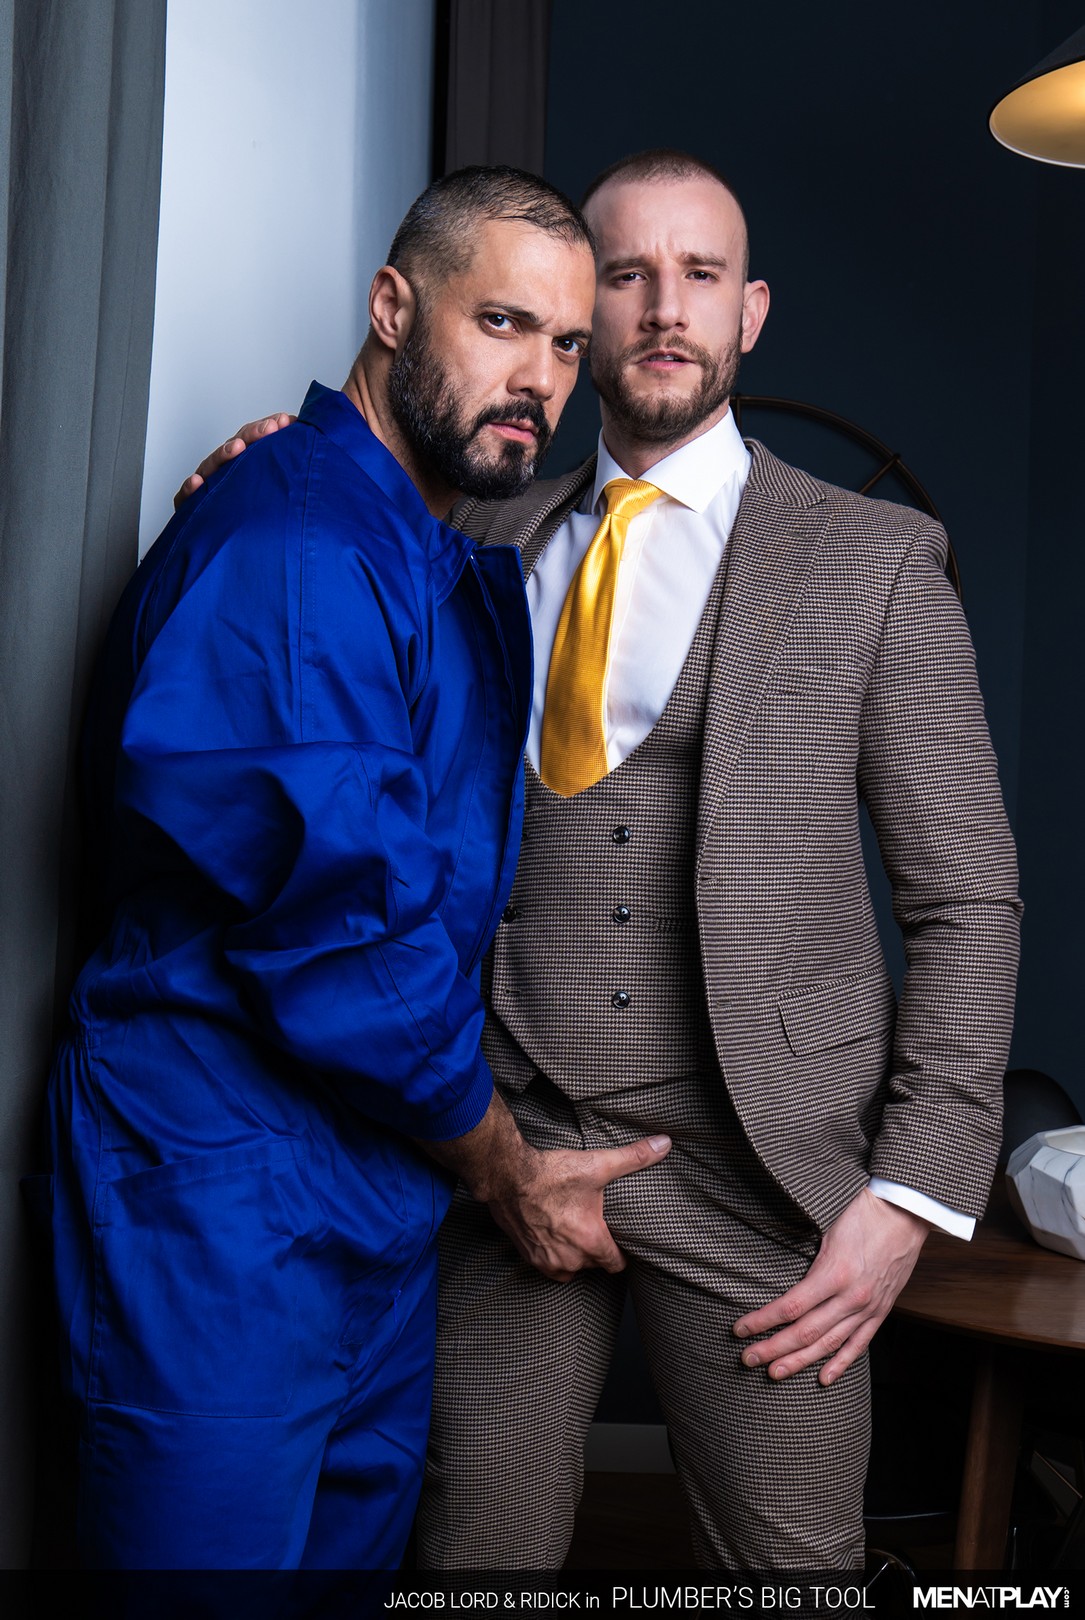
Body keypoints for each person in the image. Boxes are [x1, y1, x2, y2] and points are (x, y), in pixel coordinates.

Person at [186, 150, 1021, 1572]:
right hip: (510, 1150)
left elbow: (966, 904)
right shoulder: (473, 530)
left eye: (700, 274)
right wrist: (263, 470)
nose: (663, 308)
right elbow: (324, 560)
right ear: (585, 318)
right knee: (473, 1552)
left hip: (760, 1173)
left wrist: (904, 1202)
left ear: (751, 311)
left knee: (793, 1565)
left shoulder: (875, 563)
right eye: (626, 276)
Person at [45, 165, 672, 1573]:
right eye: (502, 323)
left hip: (381, 1193)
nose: (540, 379)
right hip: (222, 1195)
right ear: (393, 308)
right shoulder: (298, 541)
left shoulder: (426, 552)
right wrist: (506, 1170)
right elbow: (349, 933)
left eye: (567, 344)